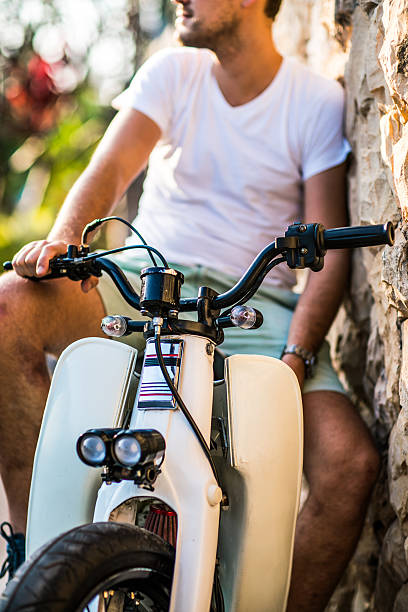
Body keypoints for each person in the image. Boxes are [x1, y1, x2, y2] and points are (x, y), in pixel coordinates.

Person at [0, 0, 380, 609]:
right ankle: (34, 555)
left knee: (350, 465)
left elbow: (328, 249)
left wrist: (297, 357)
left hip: (254, 308)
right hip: (147, 284)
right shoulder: (171, 73)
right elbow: (109, 171)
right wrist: (64, 243)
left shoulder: (314, 101)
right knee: (9, 305)